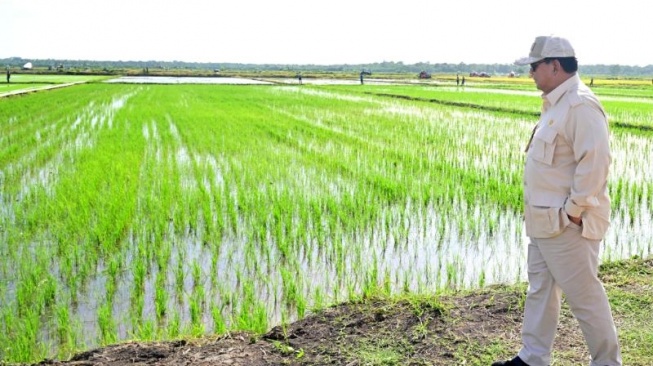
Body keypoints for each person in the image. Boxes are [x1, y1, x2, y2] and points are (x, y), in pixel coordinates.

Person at [492, 36, 621, 366]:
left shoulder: (580, 105)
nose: (530, 73)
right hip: (543, 222)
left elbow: (596, 164)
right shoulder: (556, 104)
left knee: (585, 299)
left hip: (566, 226)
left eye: (534, 67)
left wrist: (573, 213)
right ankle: (533, 358)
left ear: (554, 65)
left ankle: (607, 362)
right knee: (541, 291)